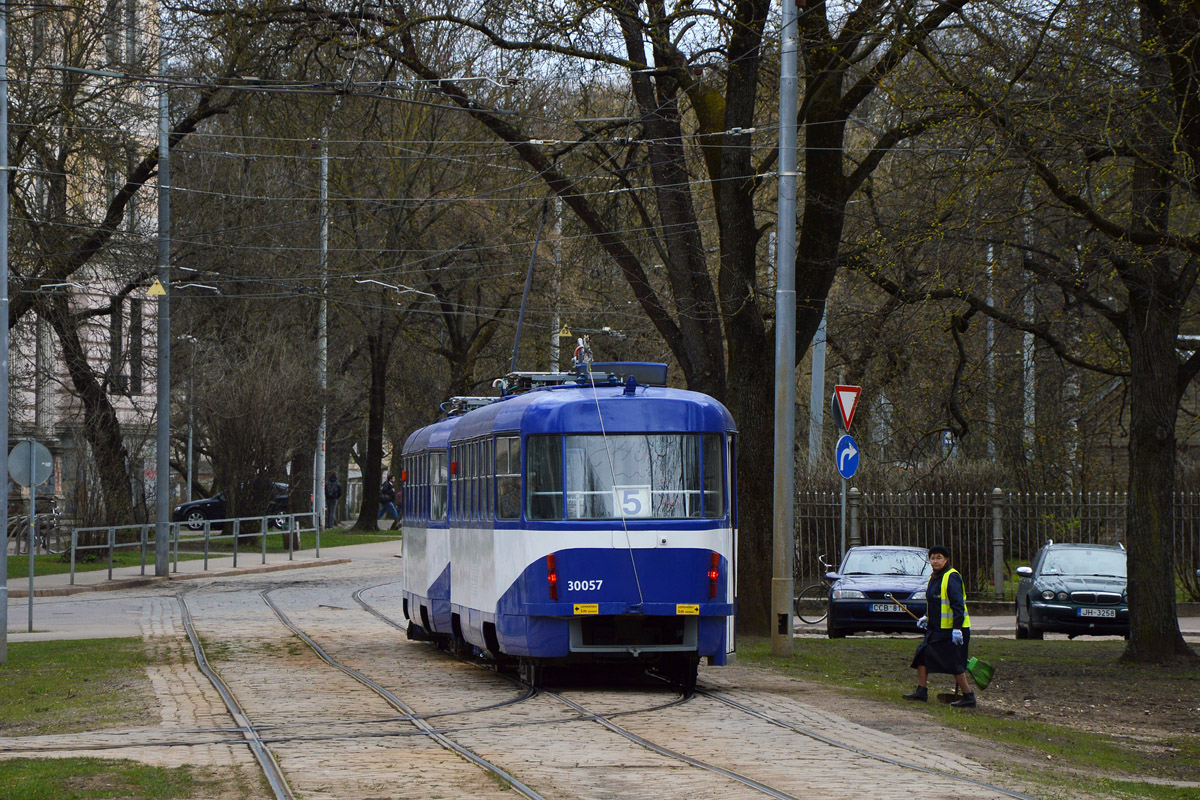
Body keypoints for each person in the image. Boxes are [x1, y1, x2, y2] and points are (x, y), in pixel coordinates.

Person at [902, 544, 976, 708]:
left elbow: (957, 605)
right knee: (921, 655)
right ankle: (921, 691)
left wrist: (957, 629)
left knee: (955, 663)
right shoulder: (934, 577)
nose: (935, 561)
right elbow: (935, 603)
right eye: (933, 558)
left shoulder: (952, 577)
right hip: (936, 629)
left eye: (939, 558)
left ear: (946, 559)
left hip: (952, 630)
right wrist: (926, 617)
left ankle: (969, 696)